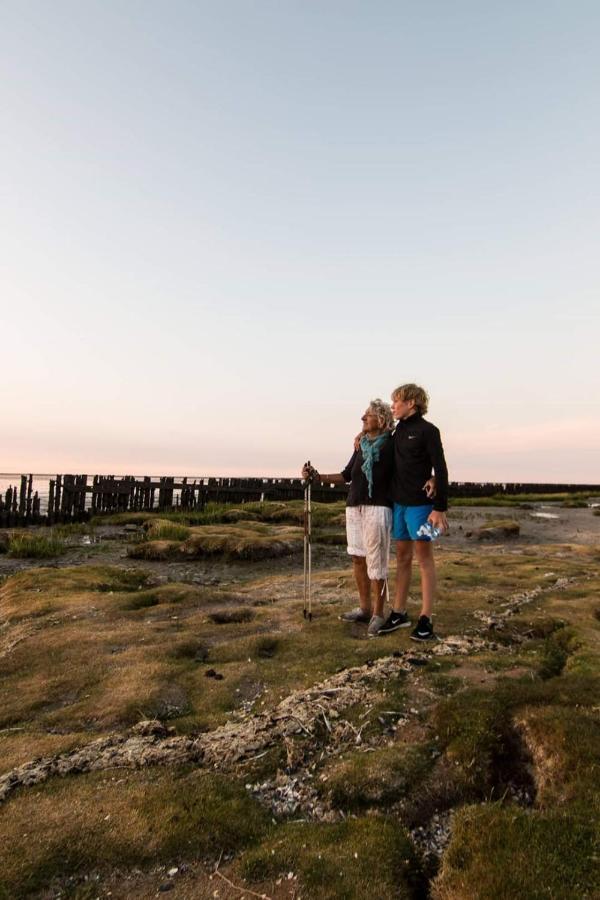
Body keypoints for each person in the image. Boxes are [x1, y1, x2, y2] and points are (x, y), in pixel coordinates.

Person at [302, 399, 395, 637]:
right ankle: (364, 609)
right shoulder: (360, 446)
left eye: (368, 415)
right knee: (357, 557)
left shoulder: (392, 445)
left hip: (378, 507)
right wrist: (317, 476)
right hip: (354, 506)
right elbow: (346, 475)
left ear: (381, 420)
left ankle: (378, 613)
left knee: (377, 563)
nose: (362, 418)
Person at [377, 383, 449, 641]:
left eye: (397, 401)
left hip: (423, 506)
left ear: (412, 403)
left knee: (425, 558)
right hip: (399, 505)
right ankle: (398, 612)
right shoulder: (396, 432)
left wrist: (440, 507)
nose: (393, 405)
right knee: (403, 557)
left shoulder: (429, 431)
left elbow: (441, 468)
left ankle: (426, 618)